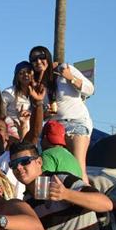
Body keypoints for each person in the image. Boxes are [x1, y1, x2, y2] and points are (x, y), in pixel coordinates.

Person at [29, 45, 94, 183]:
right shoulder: (37, 84)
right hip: (53, 128)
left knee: (78, 167)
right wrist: (45, 113)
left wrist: (71, 78)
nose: (38, 61)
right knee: (50, 166)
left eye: (42, 57)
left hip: (76, 123)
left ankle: (86, 195)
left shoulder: (63, 69)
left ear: (48, 57)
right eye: (34, 59)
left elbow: (90, 89)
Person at [2, 61, 35, 138]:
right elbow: (0, 113)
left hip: (32, 133)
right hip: (13, 133)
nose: (26, 75)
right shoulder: (9, 92)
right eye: (21, 73)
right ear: (17, 76)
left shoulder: (37, 92)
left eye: (28, 72)